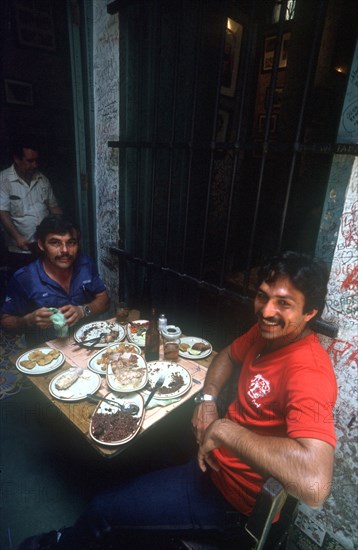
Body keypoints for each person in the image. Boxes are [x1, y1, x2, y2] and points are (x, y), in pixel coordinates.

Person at [18, 251, 337, 550]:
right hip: (211, 461)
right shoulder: (267, 331)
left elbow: (315, 484)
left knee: (103, 508)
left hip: (229, 499)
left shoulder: (308, 371)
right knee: (134, 451)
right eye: (263, 296)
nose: (267, 311)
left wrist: (225, 431)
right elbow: (226, 355)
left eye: (284, 304)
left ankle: (59, 543)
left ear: (309, 313)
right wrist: (209, 399)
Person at [0, 214, 109, 346]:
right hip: (46, 352)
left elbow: (103, 299)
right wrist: (28, 320)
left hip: (85, 342)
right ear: (41, 244)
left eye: (71, 243)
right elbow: (6, 322)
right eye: (55, 243)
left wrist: (83, 310)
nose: (64, 250)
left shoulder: (85, 264)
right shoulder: (24, 278)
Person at [0, 136, 62, 273]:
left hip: (44, 246)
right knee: (25, 284)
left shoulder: (42, 179)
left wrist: (62, 231)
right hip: (20, 248)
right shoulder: (4, 180)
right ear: (17, 159)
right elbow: (2, 211)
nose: (34, 165)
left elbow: (54, 208)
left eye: (36, 160)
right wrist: (17, 237)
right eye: (29, 161)